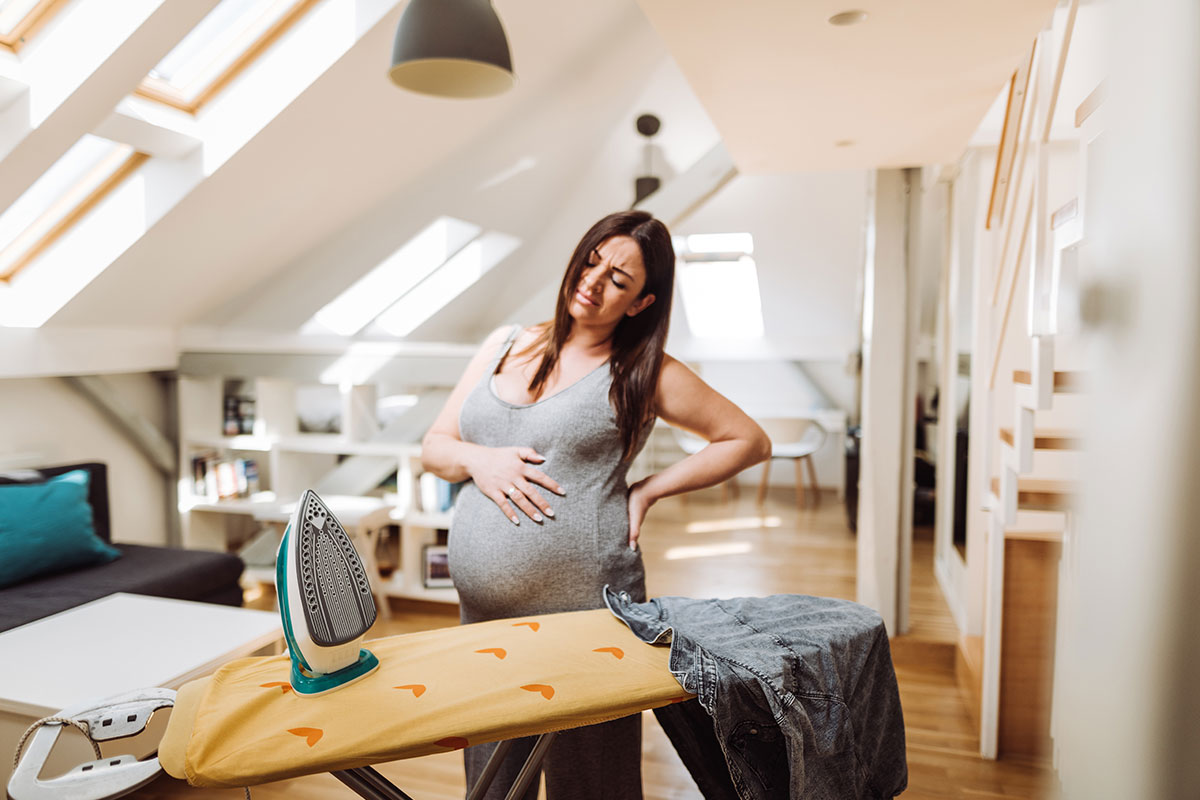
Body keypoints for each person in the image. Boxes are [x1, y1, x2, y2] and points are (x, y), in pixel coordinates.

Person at [420, 210, 771, 800]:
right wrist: (482, 459)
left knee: (592, 786)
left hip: (587, 617)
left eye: (619, 279)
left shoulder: (641, 369)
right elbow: (435, 446)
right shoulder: (503, 343)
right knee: (492, 781)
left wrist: (651, 487)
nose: (594, 280)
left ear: (639, 302)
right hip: (482, 618)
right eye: (592, 261)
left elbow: (747, 439)